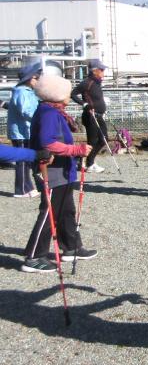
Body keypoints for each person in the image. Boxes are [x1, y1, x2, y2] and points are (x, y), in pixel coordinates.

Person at [23, 75, 95, 273]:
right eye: (66, 93)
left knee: (66, 210)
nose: (69, 96)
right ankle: (34, 256)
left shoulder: (54, 111)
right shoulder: (49, 113)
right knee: (49, 213)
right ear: (56, 94)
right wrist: (76, 150)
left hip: (62, 170)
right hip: (52, 171)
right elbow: (48, 143)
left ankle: (71, 247)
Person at [8, 63, 41, 198]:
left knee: (26, 161)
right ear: (29, 79)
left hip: (26, 131)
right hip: (21, 132)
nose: (37, 80)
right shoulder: (21, 92)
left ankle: (27, 186)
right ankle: (21, 189)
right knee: (22, 161)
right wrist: (39, 118)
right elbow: (25, 111)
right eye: (36, 78)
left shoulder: (27, 92)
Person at [71, 59, 110, 173]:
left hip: (99, 115)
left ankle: (83, 159)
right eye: (101, 70)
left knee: (104, 139)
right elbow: (73, 94)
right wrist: (84, 104)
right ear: (95, 71)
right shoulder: (87, 82)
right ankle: (89, 163)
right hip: (90, 116)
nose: (103, 72)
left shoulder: (97, 83)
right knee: (92, 141)